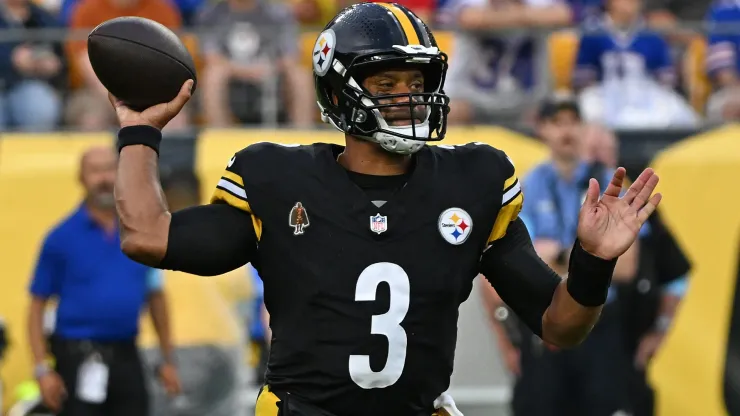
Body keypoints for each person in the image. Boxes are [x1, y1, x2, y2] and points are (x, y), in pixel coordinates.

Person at [108, 4, 661, 415]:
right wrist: (139, 131)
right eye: (387, 82)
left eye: (416, 82)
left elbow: (560, 327)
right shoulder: (279, 179)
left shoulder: (471, 181)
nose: (409, 97)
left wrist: (592, 261)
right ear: (339, 94)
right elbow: (147, 234)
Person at [26, 146, 181, 416]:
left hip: (127, 356)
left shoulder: (141, 233)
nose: (104, 178)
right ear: (81, 178)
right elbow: (37, 306)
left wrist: (167, 359)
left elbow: (155, 296)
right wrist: (42, 369)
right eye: (95, 171)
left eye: (110, 169)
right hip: (76, 360)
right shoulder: (60, 238)